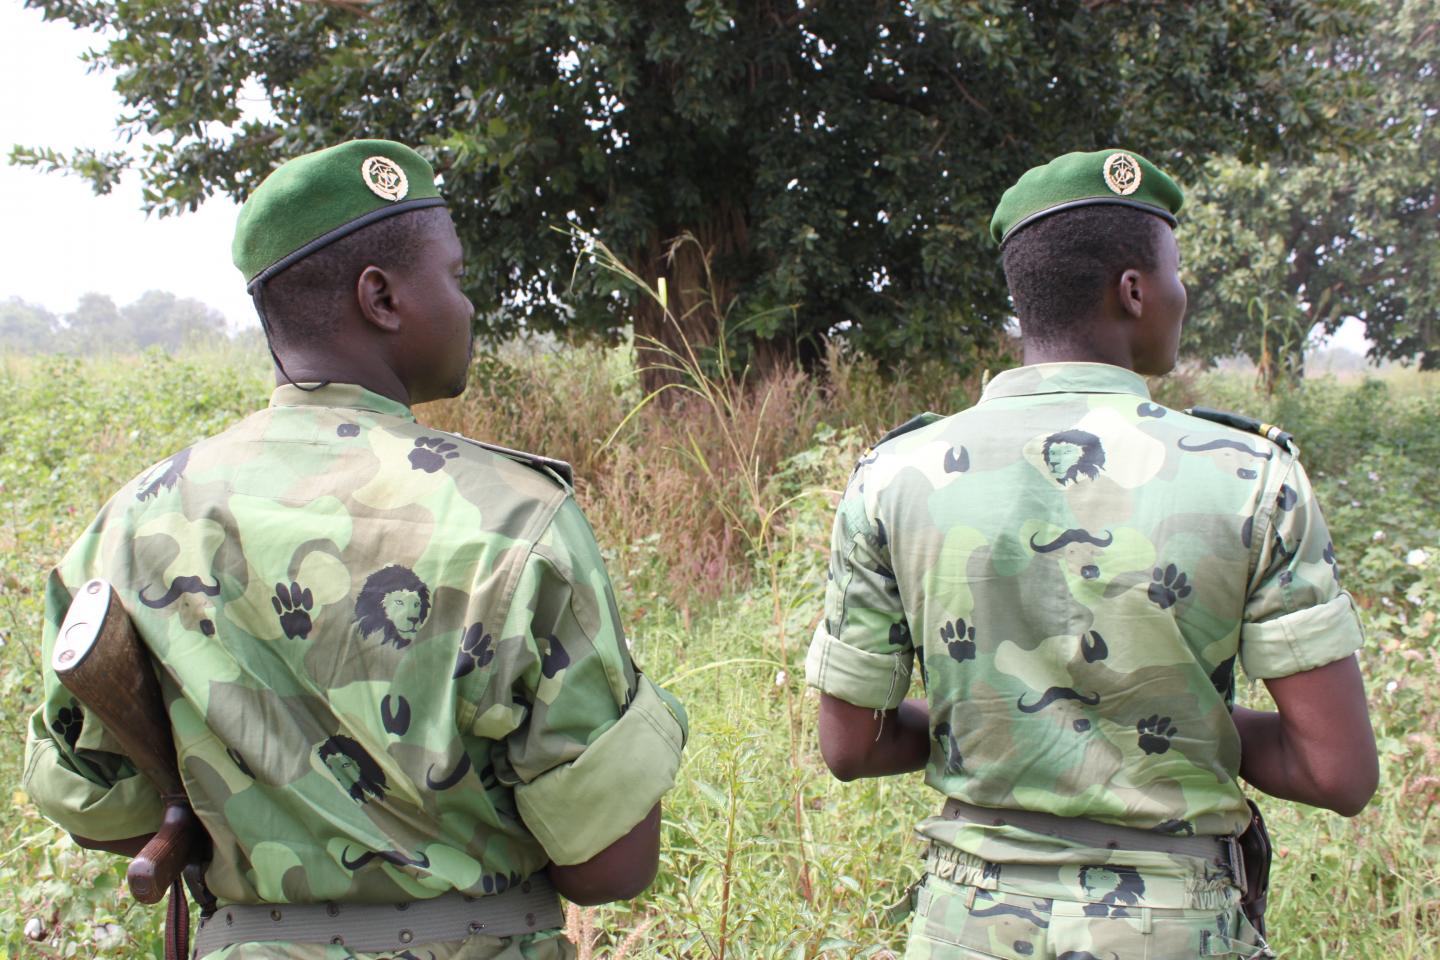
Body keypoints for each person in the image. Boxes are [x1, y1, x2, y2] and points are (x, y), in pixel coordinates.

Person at [23, 139, 688, 959]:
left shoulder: (127, 527)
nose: (470, 306)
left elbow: (104, 814)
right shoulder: (515, 521)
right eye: (456, 277)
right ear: (380, 296)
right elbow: (610, 864)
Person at [806, 149, 1378, 959]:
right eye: (1176, 272)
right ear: (1135, 291)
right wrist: (1166, 720)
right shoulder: (1250, 476)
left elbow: (849, 745)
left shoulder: (893, 476)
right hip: (1174, 927)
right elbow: (1338, 773)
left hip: (965, 924)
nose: (1184, 295)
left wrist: (1007, 713)